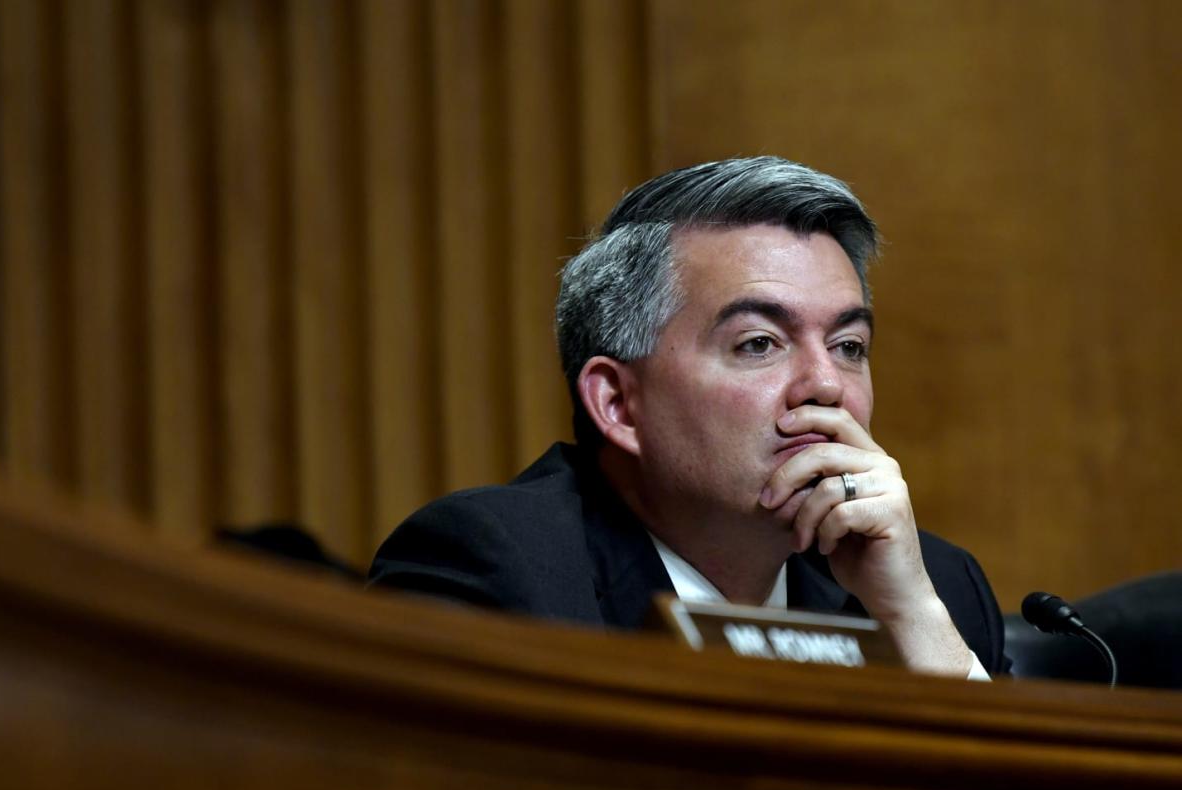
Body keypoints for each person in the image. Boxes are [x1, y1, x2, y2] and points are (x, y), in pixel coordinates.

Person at [370, 157, 1007, 678]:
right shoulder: (501, 573)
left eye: (850, 347)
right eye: (759, 343)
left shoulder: (929, 588)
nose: (825, 386)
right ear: (618, 404)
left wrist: (917, 621)